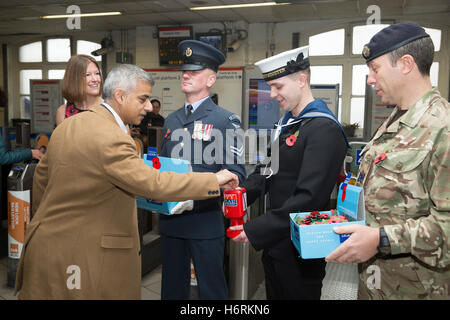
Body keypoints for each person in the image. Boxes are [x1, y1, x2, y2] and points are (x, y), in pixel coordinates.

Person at [13, 64, 239, 300]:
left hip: (45, 248)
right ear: (120, 96)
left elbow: (41, 179)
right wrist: (214, 179)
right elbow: (153, 183)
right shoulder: (112, 137)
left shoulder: (68, 125)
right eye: (143, 99)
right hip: (85, 261)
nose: (149, 107)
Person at [325, 22, 450, 300]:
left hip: (416, 290)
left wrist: (381, 239)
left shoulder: (443, 127)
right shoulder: (395, 120)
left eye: (375, 69)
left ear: (405, 64)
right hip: (375, 284)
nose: (370, 79)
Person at [230, 46, 348, 299]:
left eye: (278, 86)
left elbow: (310, 197)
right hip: (276, 243)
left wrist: (255, 229)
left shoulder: (323, 129)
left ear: (301, 80)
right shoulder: (289, 125)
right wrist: (239, 196)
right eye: (270, 87)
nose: (272, 94)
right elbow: (266, 170)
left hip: (300, 248)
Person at [159, 40, 246, 300]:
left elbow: (235, 173)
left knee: (212, 290)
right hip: (171, 220)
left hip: (205, 222)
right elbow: (161, 167)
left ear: (210, 79)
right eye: (184, 70)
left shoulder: (225, 120)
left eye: (194, 71)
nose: (186, 75)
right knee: (172, 290)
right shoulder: (171, 120)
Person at [55, 54, 103, 126]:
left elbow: (124, 137)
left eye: (97, 73)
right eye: (87, 75)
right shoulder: (62, 112)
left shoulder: (112, 109)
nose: (95, 79)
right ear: (74, 79)